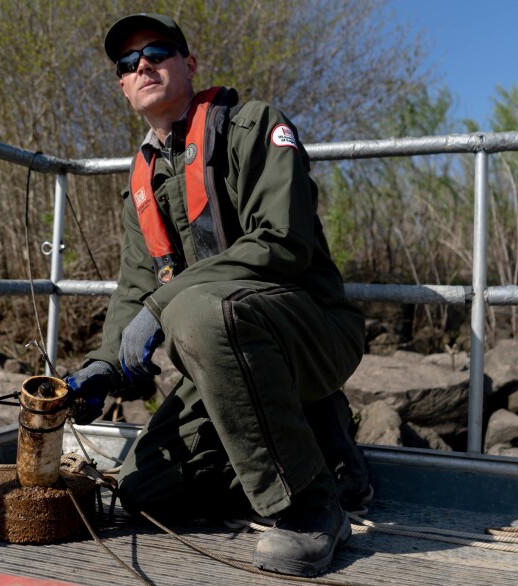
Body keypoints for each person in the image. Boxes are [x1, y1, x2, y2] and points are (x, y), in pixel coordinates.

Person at [65, 13, 369, 577]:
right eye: (128, 64)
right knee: (144, 491)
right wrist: (103, 368)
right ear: (123, 85)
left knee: (196, 312)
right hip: (223, 353)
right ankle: (318, 448)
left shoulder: (255, 126)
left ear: (189, 64)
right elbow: (136, 289)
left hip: (311, 330)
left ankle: (309, 507)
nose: (143, 66)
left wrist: (163, 305)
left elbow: (284, 242)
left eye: (156, 51)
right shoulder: (143, 181)